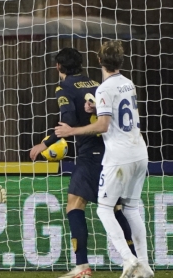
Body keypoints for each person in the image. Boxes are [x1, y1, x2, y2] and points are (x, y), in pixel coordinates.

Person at [29, 47, 136, 278]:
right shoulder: (96, 83)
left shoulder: (63, 87)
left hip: (90, 155)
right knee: (115, 208)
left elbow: (67, 120)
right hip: (111, 150)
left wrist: (45, 144)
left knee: (75, 206)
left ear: (58, 67)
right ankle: (133, 259)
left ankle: (83, 267)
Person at [55, 41, 153, 278]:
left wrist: (71, 132)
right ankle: (145, 265)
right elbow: (116, 113)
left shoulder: (104, 89)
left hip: (118, 156)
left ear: (99, 61)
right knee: (130, 209)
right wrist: (94, 108)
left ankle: (129, 260)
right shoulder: (128, 83)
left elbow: (104, 125)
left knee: (104, 210)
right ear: (120, 61)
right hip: (140, 152)